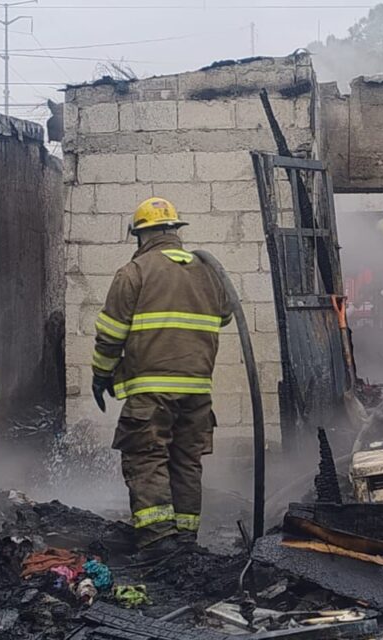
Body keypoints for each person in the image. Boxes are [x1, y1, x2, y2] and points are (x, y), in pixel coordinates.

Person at [91, 197, 232, 553]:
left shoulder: (134, 273)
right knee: (187, 461)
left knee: (146, 456)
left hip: (151, 390)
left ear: (141, 235)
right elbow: (226, 315)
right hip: (198, 391)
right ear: (174, 231)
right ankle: (186, 539)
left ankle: (157, 541)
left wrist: (101, 374)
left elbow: (110, 334)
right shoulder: (208, 270)